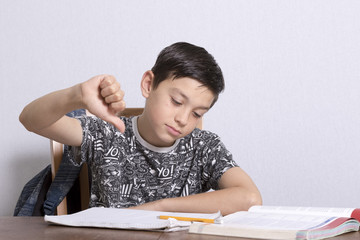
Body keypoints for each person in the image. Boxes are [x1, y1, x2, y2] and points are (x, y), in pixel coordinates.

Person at [20, 42, 262, 215]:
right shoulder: (107, 133)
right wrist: (77, 95)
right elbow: (31, 120)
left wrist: (158, 208)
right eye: (177, 102)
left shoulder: (204, 146)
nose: (183, 119)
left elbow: (250, 198)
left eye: (197, 113)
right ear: (148, 84)